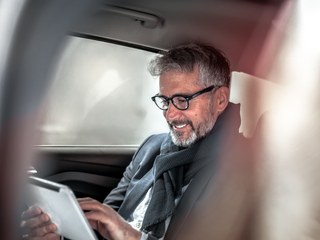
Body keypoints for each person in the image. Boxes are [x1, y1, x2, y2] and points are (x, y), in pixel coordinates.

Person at [20, 43, 253, 240]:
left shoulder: (241, 170)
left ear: (220, 99)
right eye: (165, 100)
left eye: (183, 100)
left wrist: (131, 235)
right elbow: (105, 220)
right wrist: (58, 233)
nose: (170, 115)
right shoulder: (152, 147)